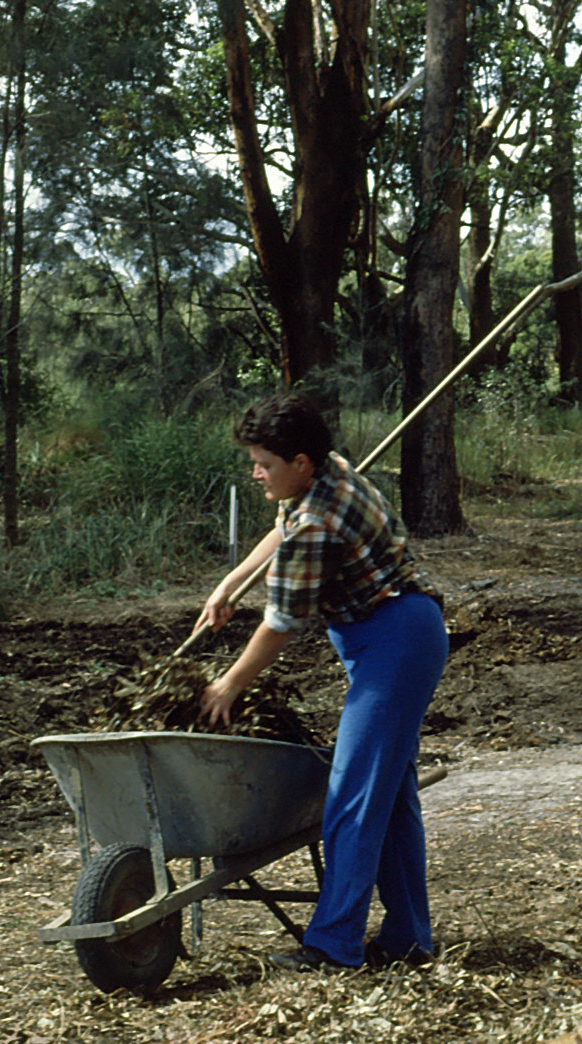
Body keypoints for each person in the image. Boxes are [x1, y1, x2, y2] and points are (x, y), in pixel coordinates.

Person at [192, 391, 448, 972]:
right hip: (385, 638)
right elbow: (282, 528)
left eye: (265, 463)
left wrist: (229, 684)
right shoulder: (324, 472)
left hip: (396, 641)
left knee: (352, 793)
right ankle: (410, 938)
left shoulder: (318, 521)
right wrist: (231, 582)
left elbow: (281, 623)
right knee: (390, 796)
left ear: (301, 462)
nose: (256, 473)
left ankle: (334, 946)